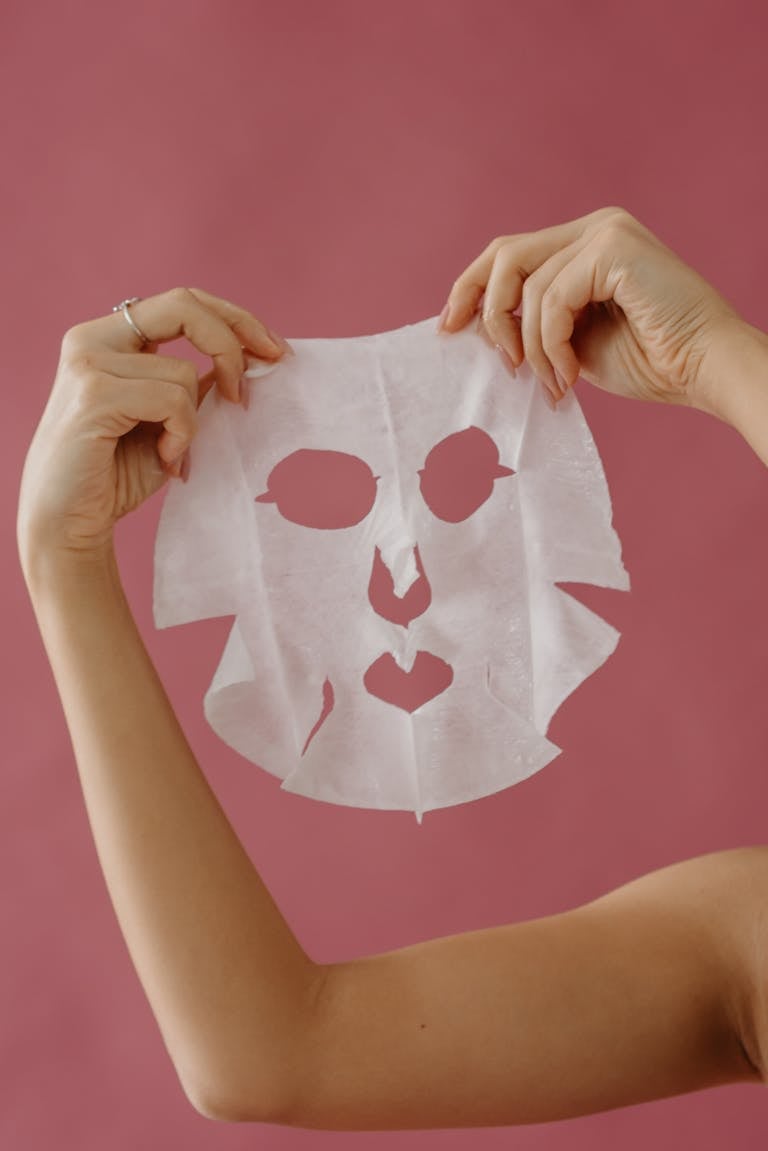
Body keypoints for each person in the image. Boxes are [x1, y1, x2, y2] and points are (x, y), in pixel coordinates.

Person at [16, 206, 768, 1131]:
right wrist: (64, 560)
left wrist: (727, 359)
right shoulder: (749, 938)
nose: (402, 585)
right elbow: (274, 1047)